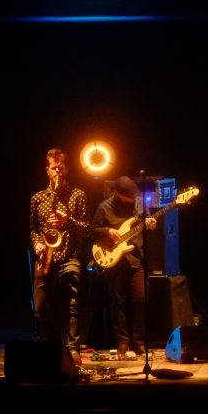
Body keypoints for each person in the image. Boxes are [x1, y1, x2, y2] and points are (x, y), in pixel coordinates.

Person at [29, 148, 90, 360]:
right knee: (39, 307)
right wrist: (37, 243)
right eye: (54, 168)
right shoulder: (37, 198)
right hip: (45, 257)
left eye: (61, 168)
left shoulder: (78, 195)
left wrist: (68, 221)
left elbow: (86, 229)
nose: (58, 172)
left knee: (74, 302)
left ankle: (74, 348)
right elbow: (34, 229)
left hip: (69, 256)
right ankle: (57, 347)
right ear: (47, 170)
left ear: (67, 169)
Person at [91, 175, 157, 356]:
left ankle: (139, 341)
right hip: (114, 259)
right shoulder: (104, 207)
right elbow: (93, 229)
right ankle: (122, 341)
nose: (133, 199)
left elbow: (147, 221)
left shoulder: (139, 204)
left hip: (136, 257)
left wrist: (150, 224)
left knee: (141, 300)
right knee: (117, 302)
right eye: (129, 196)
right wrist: (108, 231)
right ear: (118, 194)